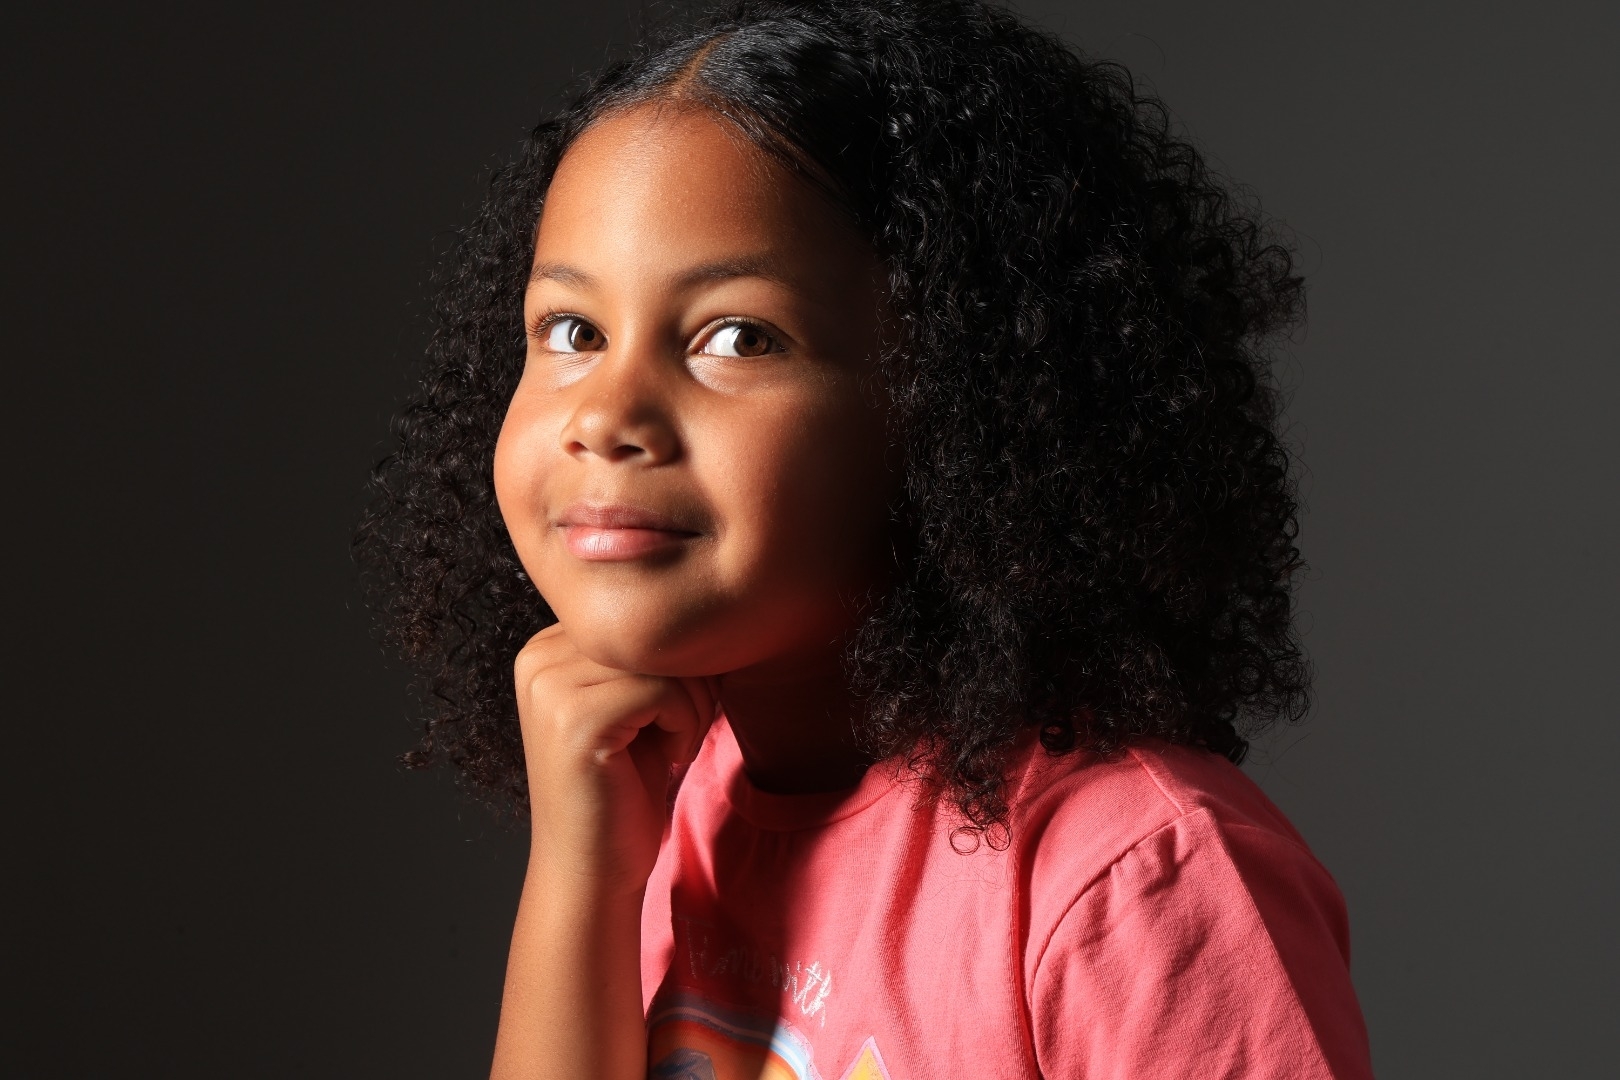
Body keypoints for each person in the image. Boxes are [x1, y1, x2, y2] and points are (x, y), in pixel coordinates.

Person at [358, 1, 1374, 1076]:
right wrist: (583, 880)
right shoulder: (667, 798)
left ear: (956, 405)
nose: (606, 416)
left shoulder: (1128, 876)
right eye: (573, 331)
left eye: (736, 337)